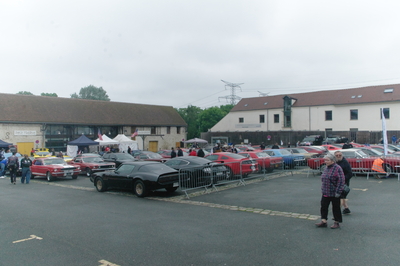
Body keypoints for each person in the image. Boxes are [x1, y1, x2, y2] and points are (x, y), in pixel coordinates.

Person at [315, 153, 345, 229]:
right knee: (324, 207)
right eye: (325, 160)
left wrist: (338, 191)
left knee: (336, 208)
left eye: (327, 160)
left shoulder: (337, 168)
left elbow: (341, 181)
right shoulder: (326, 168)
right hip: (325, 192)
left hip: (334, 192)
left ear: (332, 161)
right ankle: (324, 221)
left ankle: (337, 222)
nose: (325, 161)